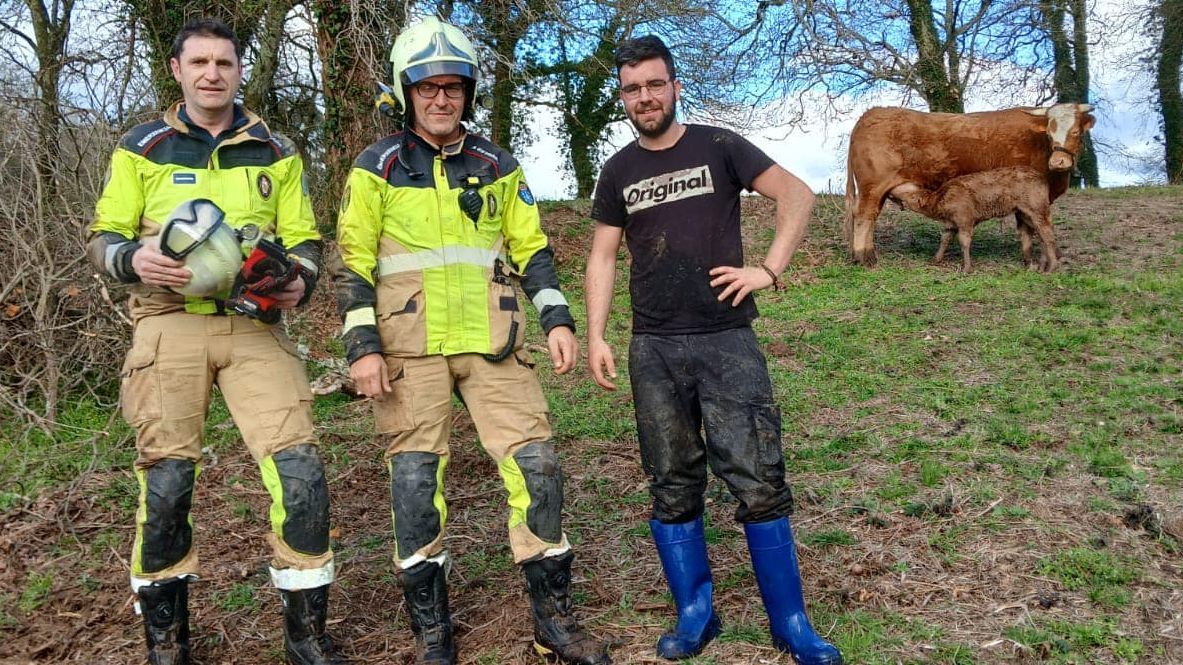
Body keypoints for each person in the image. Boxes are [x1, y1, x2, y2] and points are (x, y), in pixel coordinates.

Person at [332, 17, 609, 665]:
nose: (439, 99)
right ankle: (433, 634)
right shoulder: (375, 168)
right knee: (413, 483)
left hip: (495, 343)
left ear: (468, 93)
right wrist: (361, 346)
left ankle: (553, 624)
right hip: (409, 349)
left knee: (538, 468)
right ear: (405, 93)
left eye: (452, 87)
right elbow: (354, 264)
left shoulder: (497, 165)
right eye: (426, 88)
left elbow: (532, 249)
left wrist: (558, 319)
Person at [87, 18, 347, 665]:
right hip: (167, 322)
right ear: (177, 69)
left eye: (223, 63)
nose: (211, 73)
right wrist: (132, 260)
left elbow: (306, 239)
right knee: (168, 483)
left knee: (301, 475)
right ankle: (166, 642)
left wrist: (300, 282)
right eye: (199, 62)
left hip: (255, 326)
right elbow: (103, 237)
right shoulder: (142, 147)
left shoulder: (274, 149)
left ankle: (305, 635)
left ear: (237, 70)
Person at [584, 35, 843, 665]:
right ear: (623, 98)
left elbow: (797, 195)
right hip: (654, 350)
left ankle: (792, 623)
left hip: (727, 342)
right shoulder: (618, 170)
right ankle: (696, 613)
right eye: (632, 88)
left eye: (653, 84)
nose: (644, 97)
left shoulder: (719, 146)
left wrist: (769, 269)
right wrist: (596, 334)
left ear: (674, 87)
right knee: (671, 484)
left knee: (758, 480)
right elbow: (602, 254)